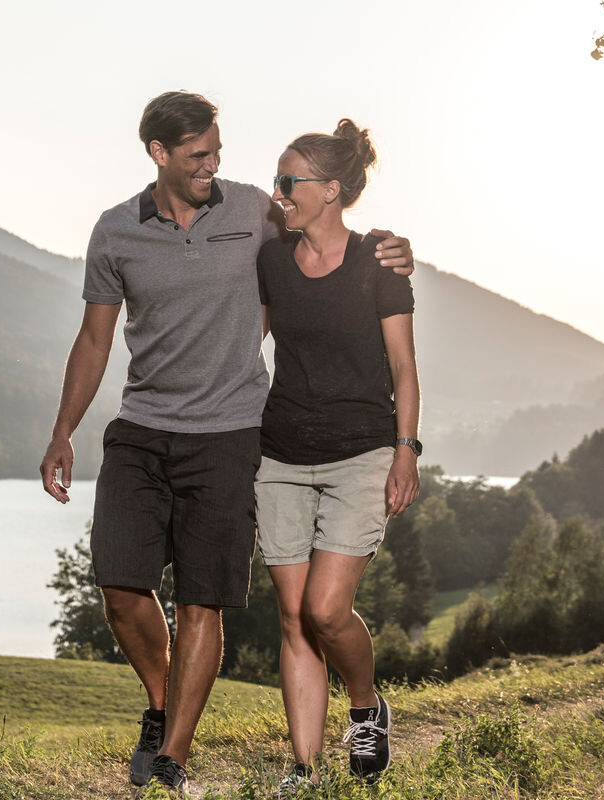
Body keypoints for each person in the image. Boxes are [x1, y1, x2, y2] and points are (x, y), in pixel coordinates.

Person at [39, 92, 412, 796]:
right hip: (142, 427)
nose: (213, 165)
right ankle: (162, 703)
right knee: (120, 587)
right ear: (159, 154)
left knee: (203, 602)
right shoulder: (116, 231)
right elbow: (94, 339)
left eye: (216, 150)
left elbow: (329, 232)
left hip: (232, 433)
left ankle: (172, 758)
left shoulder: (251, 210)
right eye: (197, 155)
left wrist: (395, 249)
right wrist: (63, 430)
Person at [254, 119, 419, 796]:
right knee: (293, 618)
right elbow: (244, 344)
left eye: (288, 182)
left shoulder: (378, 262)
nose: (278, 193)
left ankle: (365, 704)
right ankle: (304, 768)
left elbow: (404, 369)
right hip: (281, 455)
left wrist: (406, 451)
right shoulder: (270, 260)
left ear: (329, 190)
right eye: (276, 181)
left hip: (361, 453)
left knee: (325, 610)